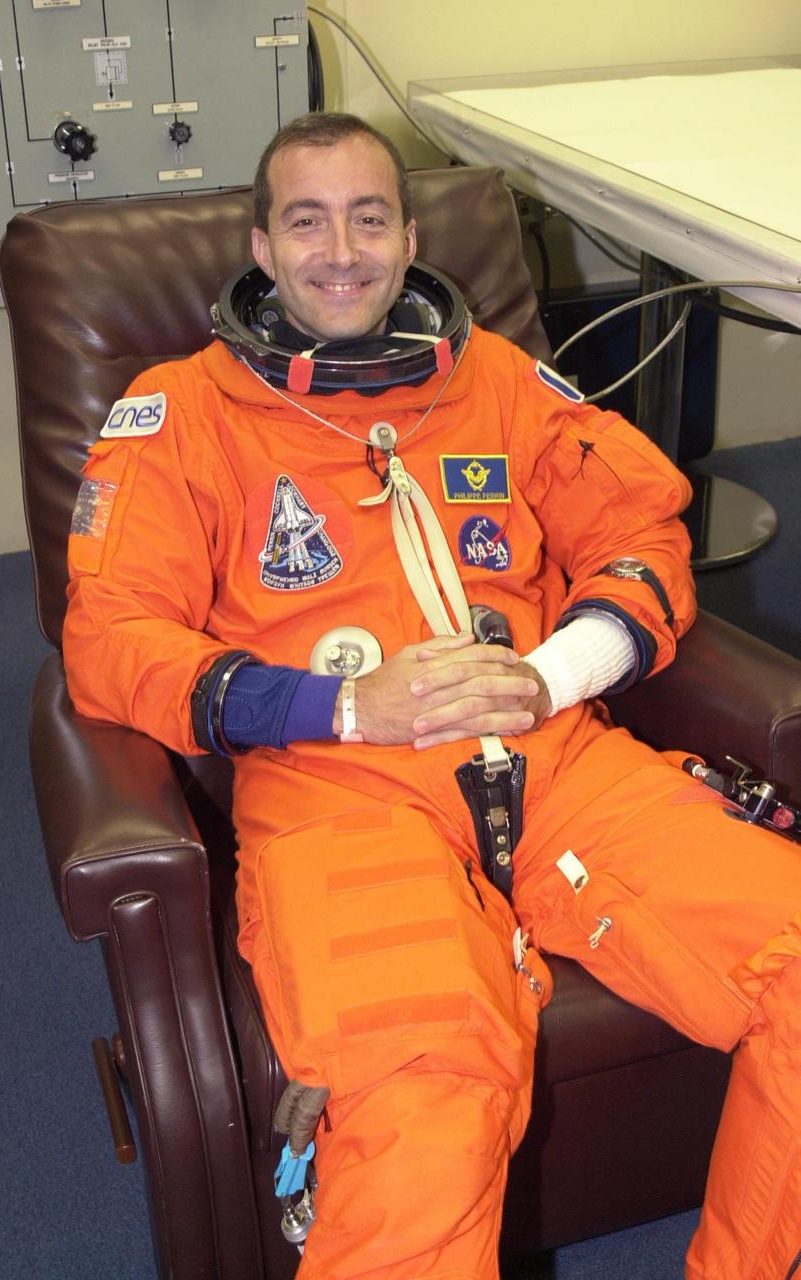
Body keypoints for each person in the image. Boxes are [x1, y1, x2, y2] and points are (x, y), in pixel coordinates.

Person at [62, 112, 801, 1280]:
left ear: (408, 240)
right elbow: (110, 640)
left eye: (368, 219)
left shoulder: (497, 381)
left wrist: (550, 675)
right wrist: (350, 708)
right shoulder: (181, 414)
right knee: (425, 1094)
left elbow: (639, 529)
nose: (339, 251)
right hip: (336, 787)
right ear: (261, 245)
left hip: (550, 753)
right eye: (306, 221)